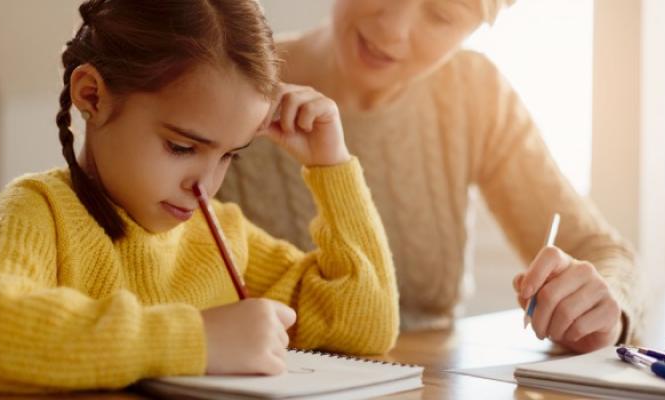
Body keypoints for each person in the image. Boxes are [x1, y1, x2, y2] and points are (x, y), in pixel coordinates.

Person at [0, 0, 399, 393]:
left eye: (231, 155)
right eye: (182, 147)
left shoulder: (223, 234)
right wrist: (198, 339)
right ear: (91, 96)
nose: (204, 185)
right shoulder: (42, 211)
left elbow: (365, 323)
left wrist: (330, 165)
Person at [219, 0, 639, 354]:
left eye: (440, 14)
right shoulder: (222, 82)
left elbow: (599, 248)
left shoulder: (473, 93)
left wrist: (604, 309)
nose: (392, 29)